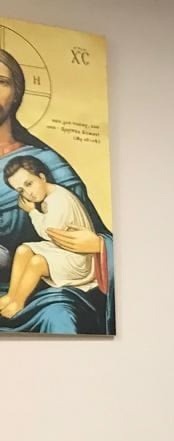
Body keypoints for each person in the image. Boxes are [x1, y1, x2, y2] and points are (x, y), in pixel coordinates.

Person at [0, 50, 114, 335]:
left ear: (16, 93)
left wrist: (99, 245)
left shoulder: (48, 164)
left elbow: (95, 232)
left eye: (1, 81)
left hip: (45, 285)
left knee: (61, 316)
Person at [0, 156, 97, 317]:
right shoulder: (51, 196)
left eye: (29, 184)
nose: (28, 193)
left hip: (79, 259)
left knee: (37, 262)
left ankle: (18, 303)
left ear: (42, 177)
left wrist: (32, 211)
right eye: (21, 191)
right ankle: (11, 296)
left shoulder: (58, 200)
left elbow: (48, 233)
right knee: (23, 250)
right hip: (62, 249)